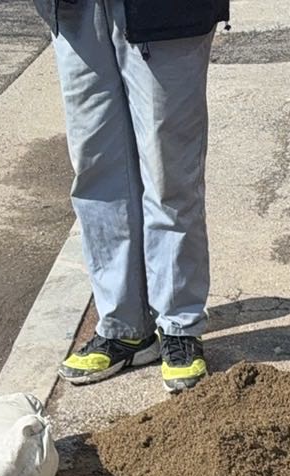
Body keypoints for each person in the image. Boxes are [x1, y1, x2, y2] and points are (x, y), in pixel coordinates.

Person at [33, 1, 230, 391]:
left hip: (161, 13)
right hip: (75, 11)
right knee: (96, 171)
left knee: (169, 173)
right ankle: (124, 329)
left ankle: (179, 326)